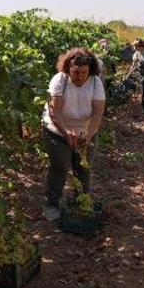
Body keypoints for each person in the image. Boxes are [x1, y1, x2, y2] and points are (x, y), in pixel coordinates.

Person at [41, 47, 106, 221]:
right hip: (57, 128)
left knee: (83, 167)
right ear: (68, 69)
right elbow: (55, 112)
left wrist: (88, 135)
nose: (79, 76)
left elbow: (98, 113)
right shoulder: (59, 80)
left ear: (90, 71)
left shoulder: (95, 82)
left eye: (83, 72)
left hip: (85, 129)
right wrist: (66, 133)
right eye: (75, 72)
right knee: (60, 166)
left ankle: (80, 202)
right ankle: (51, 204)